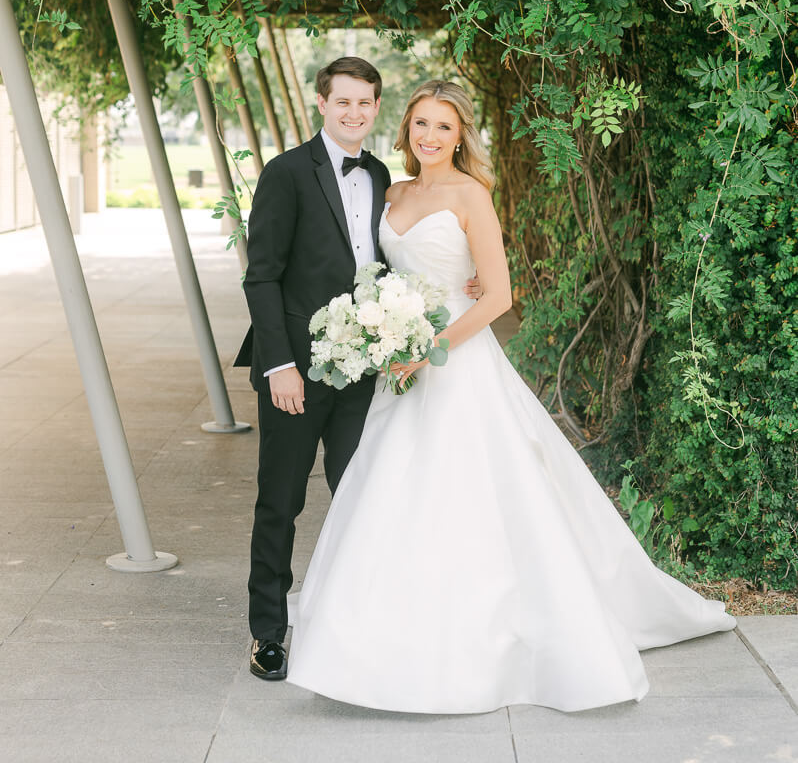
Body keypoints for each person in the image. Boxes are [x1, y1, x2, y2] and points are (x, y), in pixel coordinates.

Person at [286, 80, 736, 714]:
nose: (430, 137)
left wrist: (431, 344)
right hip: (400, 360)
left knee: (472, 490)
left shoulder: (473, 196)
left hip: (454, 362)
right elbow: (384, 271)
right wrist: (381, 328)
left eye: (444, 127)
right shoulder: (393, 191)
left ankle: (490, 637)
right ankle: (379, 635)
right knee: (390, 490)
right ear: (406, 128)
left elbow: (497, 296)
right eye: (421, 123)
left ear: (461, 134)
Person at [235, 59, 479, 681]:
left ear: (377, 109)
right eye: (342, 102)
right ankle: (268, 631)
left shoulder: (380, 176)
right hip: (297, 371)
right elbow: (260, 276)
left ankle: (364, 622)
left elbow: (389, 259)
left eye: (365, 104)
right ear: (322, 103)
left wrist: (462, 283)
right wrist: (279, 367)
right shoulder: (285, 173)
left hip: (367, 373)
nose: (353, 114)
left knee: (366, 496)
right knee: (281, 502)